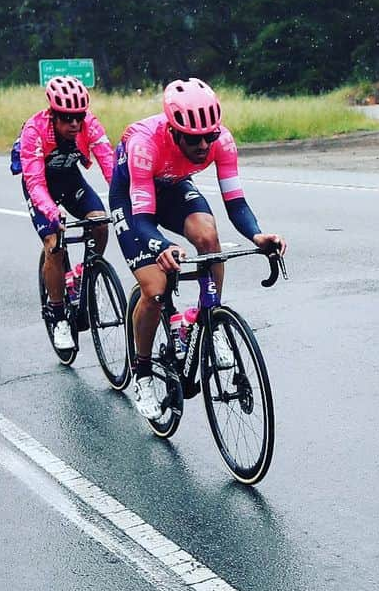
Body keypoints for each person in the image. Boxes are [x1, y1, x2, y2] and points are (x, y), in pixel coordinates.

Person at [109, 78, 286, 420]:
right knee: (155, 289)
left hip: (173, 184)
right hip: (133, 197)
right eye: (194, 139)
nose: (205, 144)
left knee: (208, 237)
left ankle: (207, 317)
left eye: (211, 135)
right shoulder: (144, 145)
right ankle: (143, 374)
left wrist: (258, 236)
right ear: (174, 132)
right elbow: (144, 220)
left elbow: (236, 205)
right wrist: (162, 246)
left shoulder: (223, 141)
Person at [19, 77, 115, 352]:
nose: (74, 124)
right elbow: (35, 183)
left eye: (79, 117)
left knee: (99, 220)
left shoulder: (90, 125)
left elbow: (109, 164)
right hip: (40, 186)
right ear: (53, 114)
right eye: (67, 118)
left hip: (70, 181)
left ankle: (86, 273)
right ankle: (58, 313)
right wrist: (52, 212)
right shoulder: (35, 130)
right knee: (54, 245)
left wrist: (126, 201)